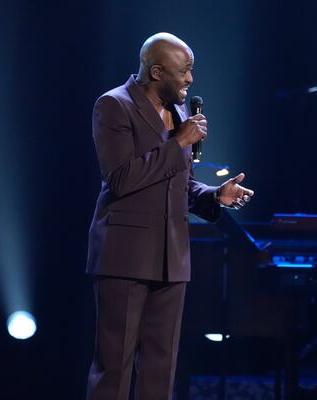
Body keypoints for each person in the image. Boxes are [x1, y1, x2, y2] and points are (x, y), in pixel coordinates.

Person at [85, 32, 254, 400]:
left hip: (172, 258)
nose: (190, 80)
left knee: (161, 368)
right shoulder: (114, 106)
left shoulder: (178, 112)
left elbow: (180, 184)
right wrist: (178, 143)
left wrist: (214, 195)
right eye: (185, 71)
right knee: (115, 367)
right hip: (125, 255)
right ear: (157, 71)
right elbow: (121, 178)